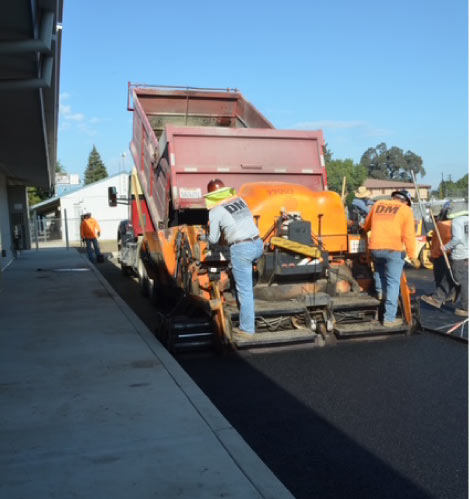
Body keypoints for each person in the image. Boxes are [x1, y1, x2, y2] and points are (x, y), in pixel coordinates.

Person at [204, 179, 264, 339]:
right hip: (258, 244)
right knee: (243, 279)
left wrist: (207, 232)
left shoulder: (215, 211)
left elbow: (214, 239)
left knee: (244, 290)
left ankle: (247, 329)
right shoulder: (239, 200)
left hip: (242, 249)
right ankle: (243, 308)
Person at [362, 190, 419, 327]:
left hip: (375, 248)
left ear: (393, 197)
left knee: (379, 270)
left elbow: (366, 226)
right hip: (393, 249)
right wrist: (413, 256)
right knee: (393, 283)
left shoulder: (378, 204)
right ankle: (389, 319)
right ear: (405, 201)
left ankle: (381, 292)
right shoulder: (405, 210)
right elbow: (409, 235)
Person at [420, 203, 455, 309]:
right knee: (450, 276)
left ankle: (439, 297)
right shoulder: (453, 224)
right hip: (450, 254)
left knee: (441, 277)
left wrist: (433, 254)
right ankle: (449, 295)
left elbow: (437, 243)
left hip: (441, 255)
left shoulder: (440, 225)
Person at [443, 203, 468, 317]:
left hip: (460, 254)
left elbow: (457, 238)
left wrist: (446, 247)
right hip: (467, 253)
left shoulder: (457, 221)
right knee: (462, 278)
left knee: (462, 280)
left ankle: (466, 307)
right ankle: (439, 297)